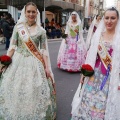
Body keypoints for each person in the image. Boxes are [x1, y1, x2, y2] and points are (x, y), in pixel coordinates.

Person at [0, 2, 56, 119]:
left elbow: (44, 52)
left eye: (33, 12)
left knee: (33, 89)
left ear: (37, 13)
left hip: (34, 63)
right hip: (18, 61)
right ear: (25, 13)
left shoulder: (41, 31)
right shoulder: (18, 27)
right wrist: (4, 61)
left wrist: (46, 67)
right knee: (16, 87)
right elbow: (13, 47)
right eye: (28, 11)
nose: (31, 14)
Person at [71, 7, 120, 120]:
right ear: (103, 19)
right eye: (106, 18)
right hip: (94, 75)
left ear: (117, 19)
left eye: (113, 18)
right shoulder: (98, 36)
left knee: (106, 102)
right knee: (90, 99)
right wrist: (84, 73)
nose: (109, 21)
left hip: (111, 77)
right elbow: (90, 56)